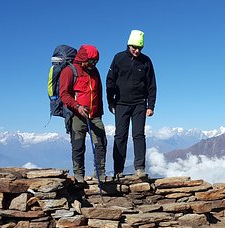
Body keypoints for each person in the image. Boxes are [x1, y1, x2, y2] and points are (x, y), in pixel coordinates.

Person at [106, 29, 157, 178]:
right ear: (129, 45)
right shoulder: (119, 58)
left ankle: (140, 168)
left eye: (140, 48)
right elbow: (110, 81)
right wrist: (111, 102)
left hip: (140, 104)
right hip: (121, 103)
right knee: (120, 136)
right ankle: (118, 170)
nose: (136, 51)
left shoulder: (146, 61)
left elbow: (152, 84)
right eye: (134, 48)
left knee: (138, 135)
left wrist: (150, 105)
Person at [59, 44, 107, 183]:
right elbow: (64, 94)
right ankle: (79, 175)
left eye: (96, 61)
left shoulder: (95, 71)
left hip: (95, 114)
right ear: (82, 59)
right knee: (78, 145)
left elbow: (98, 92)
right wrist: (77, 106)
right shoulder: (69, 71)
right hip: (77, 115)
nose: (94, 64)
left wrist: (100, 111)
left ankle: (100, 173)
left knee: (101, 142)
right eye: (91, 61)